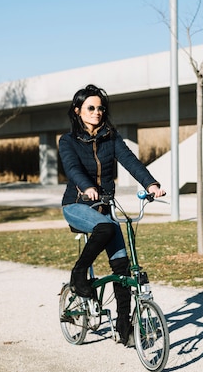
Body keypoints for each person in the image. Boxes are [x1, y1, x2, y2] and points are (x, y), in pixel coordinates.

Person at [59, 84, 165, 346]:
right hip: (77, 205)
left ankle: (123, 328)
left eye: (100, 108)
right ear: (78, 111)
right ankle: (78, 274)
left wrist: (150, 184)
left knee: (124, 270)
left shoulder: (111, 138)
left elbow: (131, 162)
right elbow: (72, 168)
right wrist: (87, 187)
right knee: (106, 228)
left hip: (104, 209)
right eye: (91, 108)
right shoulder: (68, 141)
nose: (97, 112)